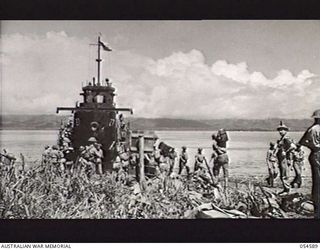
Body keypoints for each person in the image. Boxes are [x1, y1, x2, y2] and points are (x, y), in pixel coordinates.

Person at [299, 109, 320, 218]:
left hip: (315, 154)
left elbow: (302, 142)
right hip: (317, 154)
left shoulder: (311, 129)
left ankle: (317, 208)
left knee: (317, 182)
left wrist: (312, 146)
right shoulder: (315, 129)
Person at [275, 121, 297, 195]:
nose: (280, 131)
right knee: (283, 174)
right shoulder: (282, 138)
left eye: (282, 130)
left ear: (286, 130)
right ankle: (285, 189)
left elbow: (293, 146)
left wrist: (286, 152)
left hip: (285, 158)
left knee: (284, 174)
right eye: (279, 130)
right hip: (281, 158)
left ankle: (287, 190)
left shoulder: (286, 138)